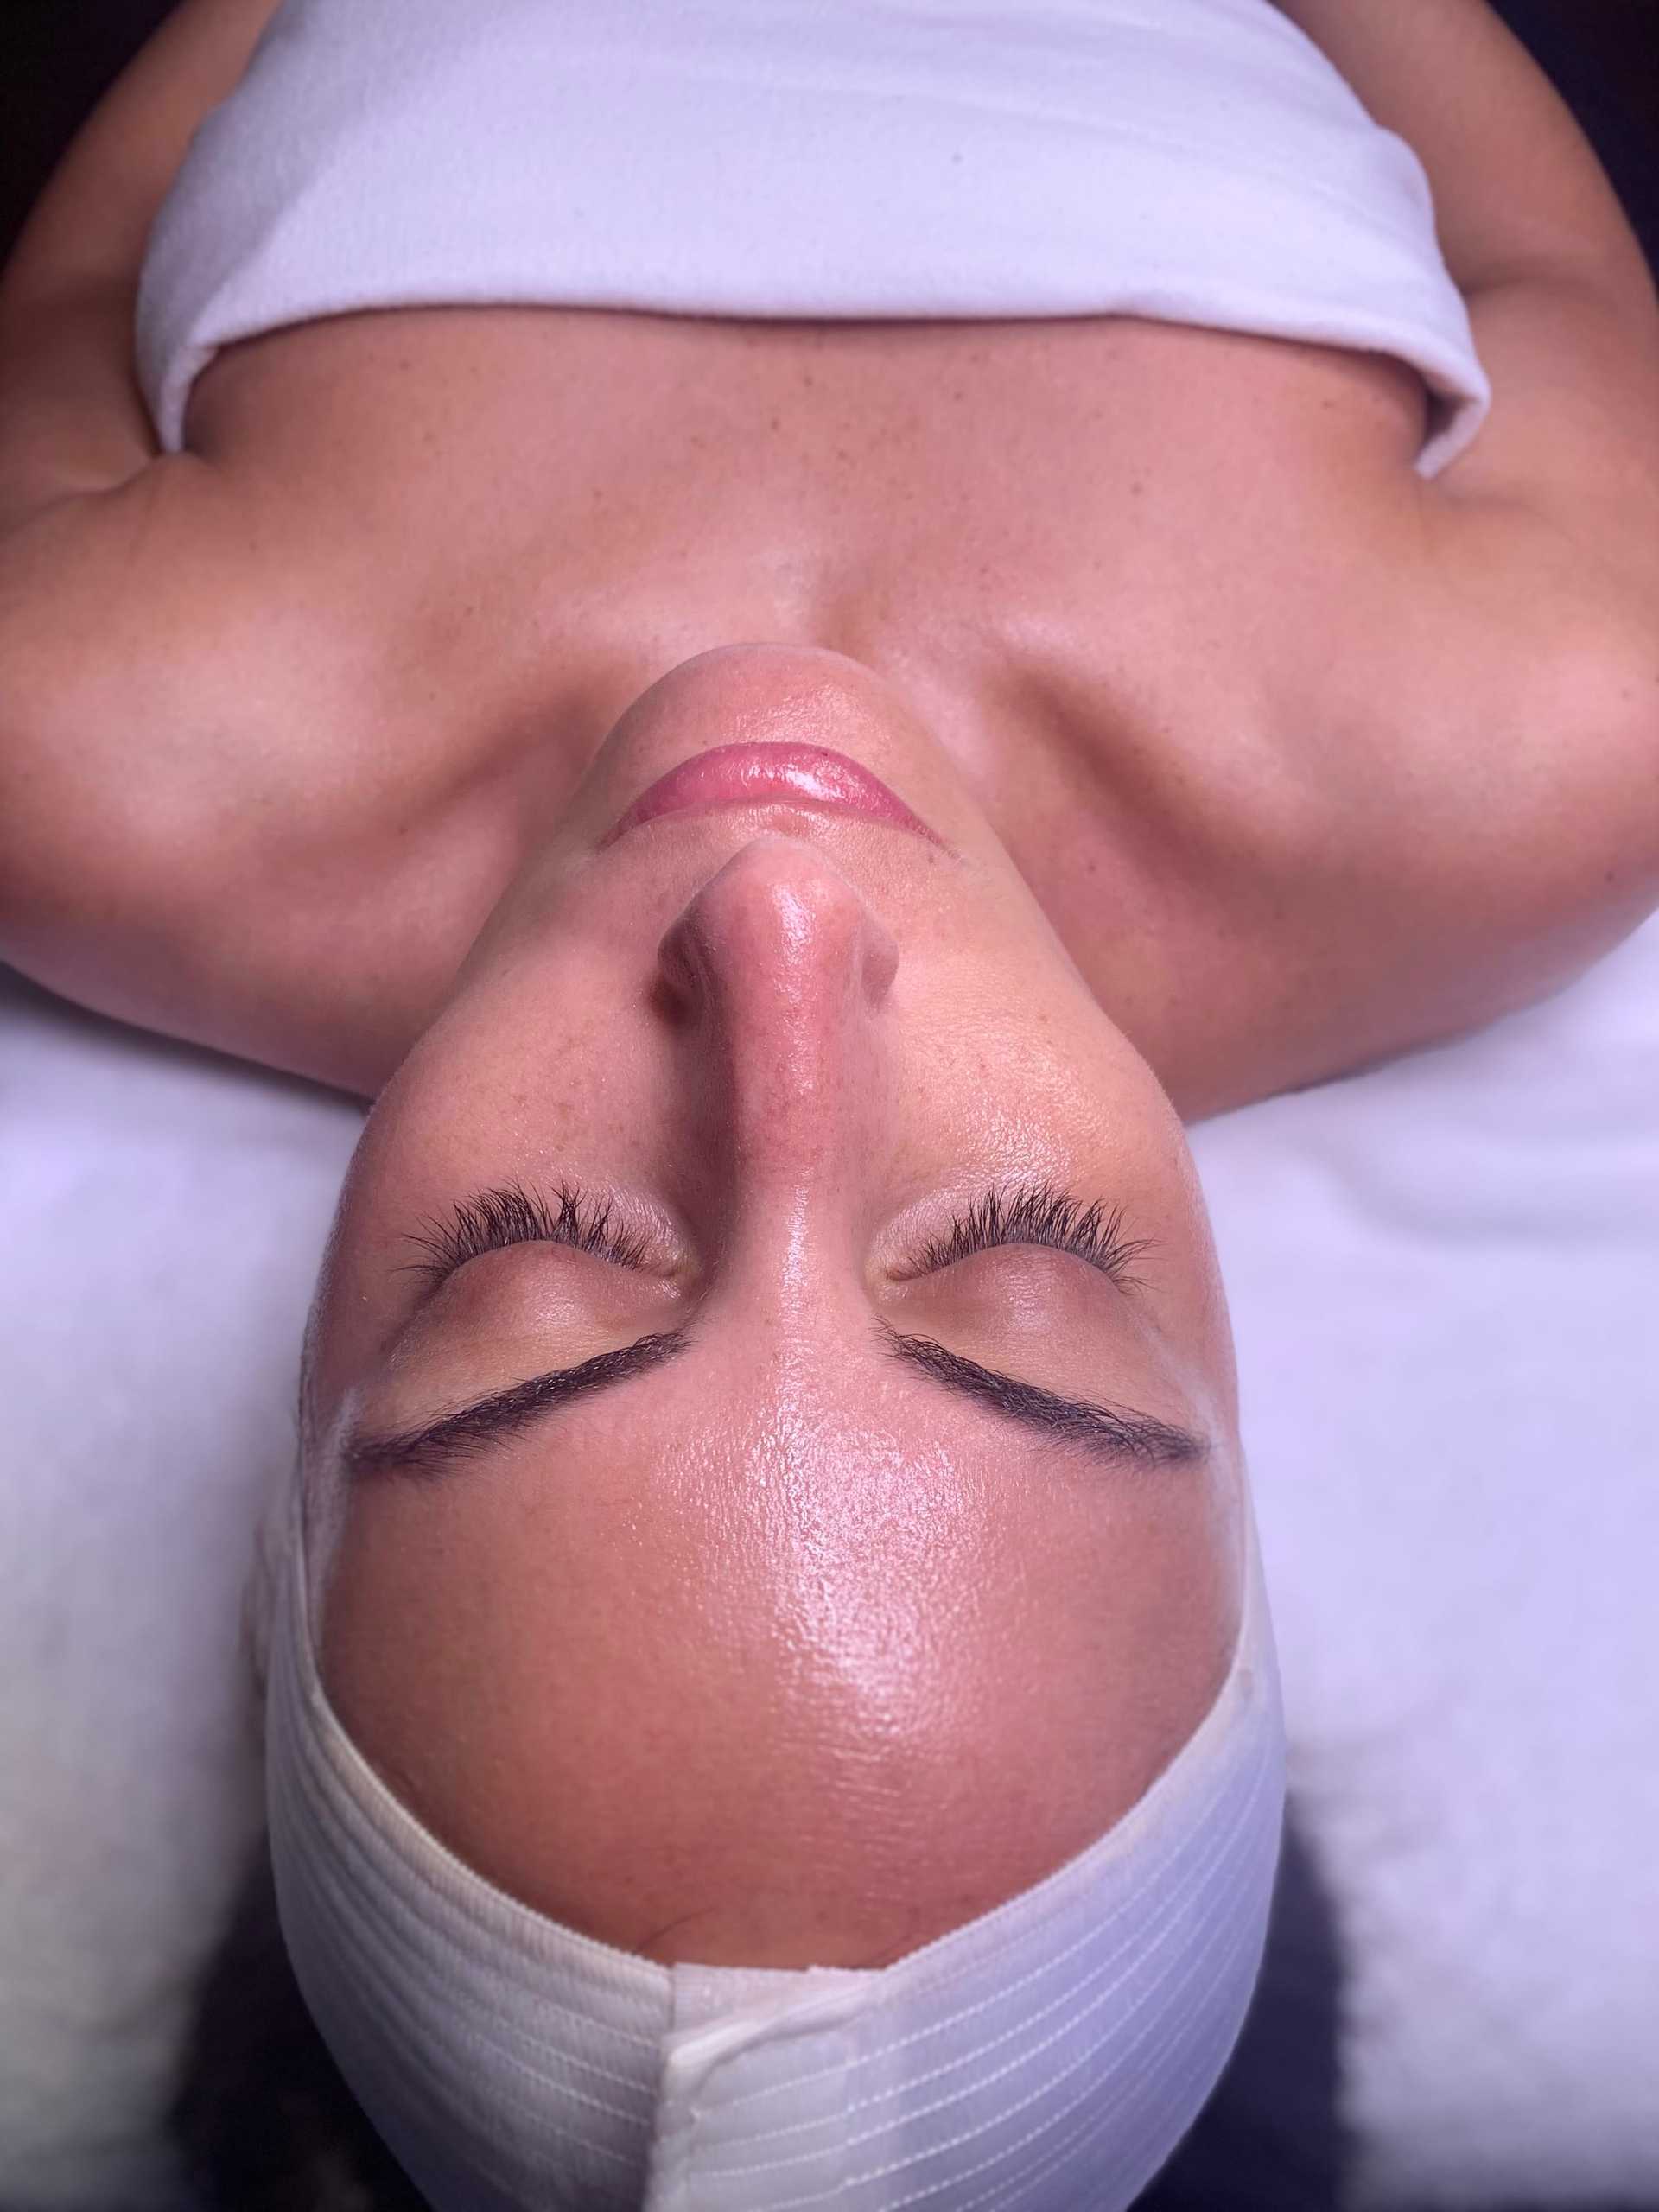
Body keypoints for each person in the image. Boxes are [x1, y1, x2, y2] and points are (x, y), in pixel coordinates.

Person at [0, 1, 1655, 2205]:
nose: (783, 939)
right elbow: (1551, 272)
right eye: (1020, 1258)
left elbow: (78, 299)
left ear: (286, 1464)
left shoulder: (88, 754)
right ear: (1239, 1400)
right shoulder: (1537, 751)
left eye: (526, 1261)